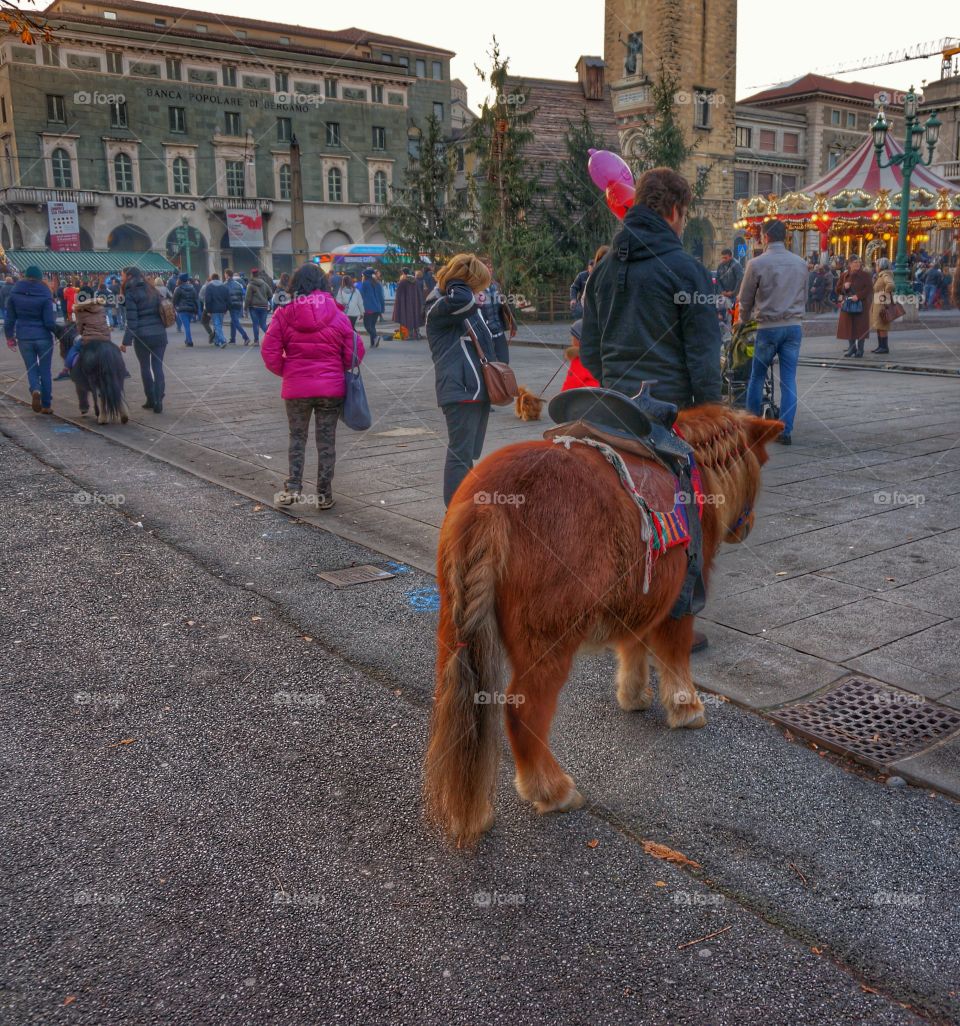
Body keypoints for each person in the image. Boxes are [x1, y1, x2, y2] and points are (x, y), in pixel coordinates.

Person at [580, 167, 722, 409]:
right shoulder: (688, 271)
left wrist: (614, 383)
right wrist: (712, 414)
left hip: (617, 406)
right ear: (675, 211)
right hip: (672, 411)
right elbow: (704, 355)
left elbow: (589, 349)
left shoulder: (602, 270)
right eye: (685, 215)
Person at [260, 262, 362, 510]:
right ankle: (324, 495)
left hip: (297, 389)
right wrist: (334, 369)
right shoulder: (338, 315)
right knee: (326, 442)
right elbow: (354, 354)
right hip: (331, 390)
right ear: (323, 284)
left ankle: (293, 487)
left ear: (296, 285)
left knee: (297, 437)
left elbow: (269, 351)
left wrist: (289, 371)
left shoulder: (284, 313)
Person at [424, 253, 497, 506]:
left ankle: (464, 507)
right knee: (460, 453)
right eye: (477, 283)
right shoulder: (441, 304)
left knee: (467, 454)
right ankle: (454, 512)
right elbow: (464, 299)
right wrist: (457, 281)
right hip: (460, 390)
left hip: (475, 390)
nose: (479, 290)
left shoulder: (462, 305)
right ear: (466, 280)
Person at [738, 220, 808, 445]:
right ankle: (785, 431)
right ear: (785, 236)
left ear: (766, 237)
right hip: (794, 327)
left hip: (767, 328)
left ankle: (753, 428)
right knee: (788, 380)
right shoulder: (800, 263)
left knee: (757, 377)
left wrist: (743, 320)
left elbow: (746, 298)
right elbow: (804, 295)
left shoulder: (757, 263)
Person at [4, 264, 57, 414]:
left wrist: (9, 337)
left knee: (31, 367)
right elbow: (49, 322)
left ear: (25, 276)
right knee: (45, 370)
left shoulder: (15, 291)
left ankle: (35, 389)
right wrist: (58, 332)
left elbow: (9, 319)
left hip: (24, 337)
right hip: (44, 337)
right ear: (40, 278)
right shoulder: (45, 293)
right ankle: (46, 405)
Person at [122, 266, 168, 413]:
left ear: (129, 276)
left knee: (145, 367)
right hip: (159, 334)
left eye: (122, 275)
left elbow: (132, 321)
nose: (122, 278)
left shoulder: (130, 292)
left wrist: (125, 342)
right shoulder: (153, 289)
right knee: (158, 367)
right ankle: (159, 398)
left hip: (142, 337)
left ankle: (151, 398)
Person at [478, 259, 516, 363]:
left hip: (499, 333)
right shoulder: (475, 288)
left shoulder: (496, 286)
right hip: (485, 336)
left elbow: (504, 306)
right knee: (489, 366)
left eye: (490, 267)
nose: (489, 269)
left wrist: (512, 323)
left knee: (504, 363)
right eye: (486, 267)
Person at [835, 256, 872, 358]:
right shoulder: (844, 275)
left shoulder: (865, 275)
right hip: (848, 305)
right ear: (850, 264)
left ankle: (860, 349)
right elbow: (837, 290)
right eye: (854, 262)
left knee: (860, 328)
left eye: (858, 262)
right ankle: (851, 349)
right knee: (849, 327)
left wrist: (858, 296)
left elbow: (869, 289)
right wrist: (844, 287)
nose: (857, 264)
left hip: (861, 305)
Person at [66, 292, 113, 369]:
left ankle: (66, 369)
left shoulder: (80, 312)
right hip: (105, 338)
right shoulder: (101, 309)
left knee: (73, 349)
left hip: (89, 340)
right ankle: (124, 370)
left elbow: (80, 330)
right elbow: (106, 324)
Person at [560, 319, 599, 391]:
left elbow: (571, 383)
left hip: (585, 398)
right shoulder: (602, 354)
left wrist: (559, 399)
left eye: (573, 337)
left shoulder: (580, 359)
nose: (571, 340)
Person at [870, 257, 895, 355]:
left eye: (877, 265)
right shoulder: (880, 275)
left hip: (882, 304)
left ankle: (884, 347)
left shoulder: (885, 275)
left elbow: (891, 285)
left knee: (882, 325)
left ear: (881, 266)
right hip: (878, 303)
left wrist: (884, 294)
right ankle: (880, 346)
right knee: (879, 326)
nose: (875, 267)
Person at [392, 268, 424, 339]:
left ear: (403, 273)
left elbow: (398, 293)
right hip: (415, 303)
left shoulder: (403, 282)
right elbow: (419, 293)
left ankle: (410, 335)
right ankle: (417, 333)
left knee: (406, 318)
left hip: (406, 303)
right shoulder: (416, 281)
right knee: (415, 316)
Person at [244, 268, 273, 344]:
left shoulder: (250, 285)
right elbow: (270, 294)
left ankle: (256, 341)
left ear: (252, 275)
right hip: (264, 306)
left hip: (254, 307)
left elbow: (248, 298)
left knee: (255, 324)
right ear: (258, 275)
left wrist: (245, 308)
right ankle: (272, 338)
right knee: (263, 324)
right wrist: (266, 299)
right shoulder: (264, 284)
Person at [358, 267, 385, 348]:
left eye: (362, 275)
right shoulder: (378, 283)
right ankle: (373, 343)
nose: (362, 276)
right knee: (372, 326)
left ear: (366, 276)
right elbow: (381, 297)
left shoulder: (365, 283)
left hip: (369, 308)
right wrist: (382, 308)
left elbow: (361, 295)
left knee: (367, 326)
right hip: (377, 308)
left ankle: (375, 337)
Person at [223, 269, 250, 345]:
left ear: (227, 275)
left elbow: (225, 297)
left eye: (225, 274)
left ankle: (246, 337)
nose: (224, 275)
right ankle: (232, 339)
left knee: (235, 322)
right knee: (233, 322)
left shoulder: (225, 284)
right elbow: (242, 294)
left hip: (232, 305)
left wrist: (225, 308)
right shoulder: (238, 284)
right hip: (238, 305)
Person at [202, 273, 230, 347]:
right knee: (219, 325)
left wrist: (208, 310)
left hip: (214, 309)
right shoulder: (224, 286)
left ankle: (222, 340)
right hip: (222, 308)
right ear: (218, 278)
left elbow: (207, 300)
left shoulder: (209, 287)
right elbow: (228, 299)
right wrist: (226, 308)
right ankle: (217, 341)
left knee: (217, 325)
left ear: (212, 278)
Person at [172, 273, 199, 346]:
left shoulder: (178, 289)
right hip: (191, 309)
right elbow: (195, 299)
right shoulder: (192, 288)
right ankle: (187, 340)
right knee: (187, 325)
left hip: (182, 310)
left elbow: (174, 300)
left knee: (186, 326)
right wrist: (196, 310)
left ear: (180, 280)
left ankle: (189, 341)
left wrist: (175, 307)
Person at [715, 248, 743, 313]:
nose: (723, 259)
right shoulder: (720, 265)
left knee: (732, 315)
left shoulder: (736, 265)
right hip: (723, 295)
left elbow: (740, 280)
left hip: (734, 296)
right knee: (721, 315)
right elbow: (717, 280)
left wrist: (733, 292)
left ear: (731, 257)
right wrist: (722, 291)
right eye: (722, 258)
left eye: (725, 258)